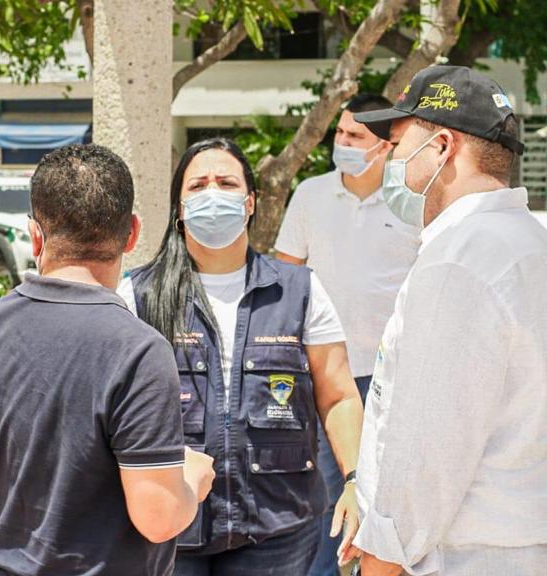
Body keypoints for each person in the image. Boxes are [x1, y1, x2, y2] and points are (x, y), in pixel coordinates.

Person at [342, 65, 547, 576]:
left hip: (469, 555)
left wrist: (380, 560)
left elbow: (427, 455)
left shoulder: (458, 261)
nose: (390, 161)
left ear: (441, 147)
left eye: (398, 144)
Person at [0, 144, 216, 576]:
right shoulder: (139, 351)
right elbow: (160, 516)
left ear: (35, 235)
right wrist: (192, 480)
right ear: (131, 233)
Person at [117, 138, 365, 575]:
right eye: (198, 186)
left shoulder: (300, 290)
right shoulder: (137, 294)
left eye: (227, 182)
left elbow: (339, 394)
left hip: (278, 527)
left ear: (249, 203)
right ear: (179, 208)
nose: (213, 193)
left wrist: (354, 480)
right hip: (171, 524)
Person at [274, 94, 419, 576]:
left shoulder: (412, 206)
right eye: (340, 134)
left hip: (390, 381)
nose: (343, 143)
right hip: (324, 378)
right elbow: (285, 278)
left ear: (384, 147)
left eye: (355, 136)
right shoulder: (310, 195)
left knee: (384, 495)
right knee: (324, 498)